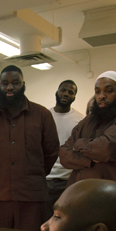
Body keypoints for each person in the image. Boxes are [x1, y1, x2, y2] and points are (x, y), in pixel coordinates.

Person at [0, 65, 59, 231]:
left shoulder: (42, 115)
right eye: (5, 83)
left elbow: (51, 151)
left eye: (15, 82)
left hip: (31, 197)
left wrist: (32, 174)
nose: (9, 87)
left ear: (23, 84)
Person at [59, 71, 116, 186]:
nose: (101, 96)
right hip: (77, 191)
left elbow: (106, 148)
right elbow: (64, 154)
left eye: (109, 91)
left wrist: (78, 144)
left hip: (109, 192)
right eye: (97, 91)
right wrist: (89, 160)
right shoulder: (88, 120)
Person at [44, 80, 84, 220]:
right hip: (46, 179)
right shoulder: (45, 116)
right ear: (57, 92)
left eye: (70, 92)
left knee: (65, 221)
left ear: (74, 97)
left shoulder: (80, 120)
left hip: (68, 180)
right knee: (44, 220)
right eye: (63, 90)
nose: (66, 94)